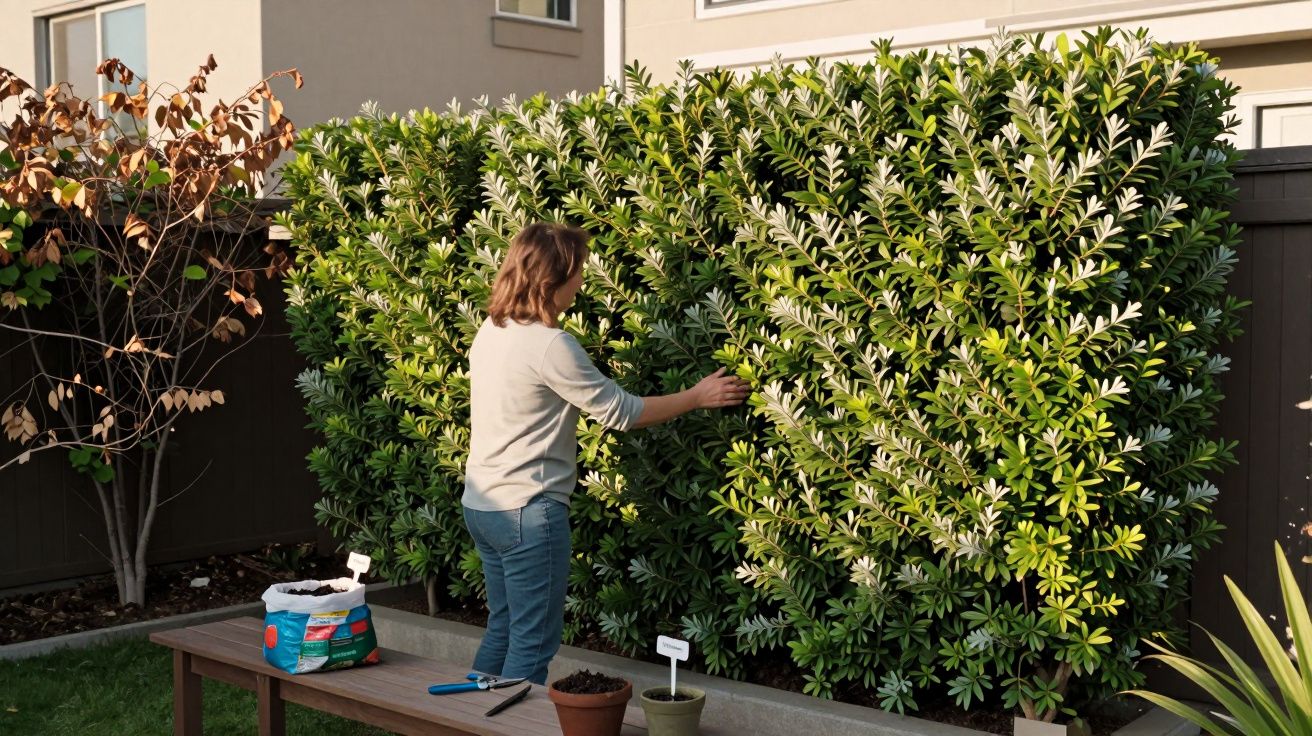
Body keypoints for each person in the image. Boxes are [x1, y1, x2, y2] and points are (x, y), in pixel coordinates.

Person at [461, 221, 750, 685]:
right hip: (526, 512)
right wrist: (696, 396)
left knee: (504, 629)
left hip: (483, 505)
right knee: (532, 647)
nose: (582, 282)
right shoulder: (550, 345)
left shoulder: (493, 329)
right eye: (578, 272)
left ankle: (468, 724)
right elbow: (622, 412)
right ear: (552, 279)